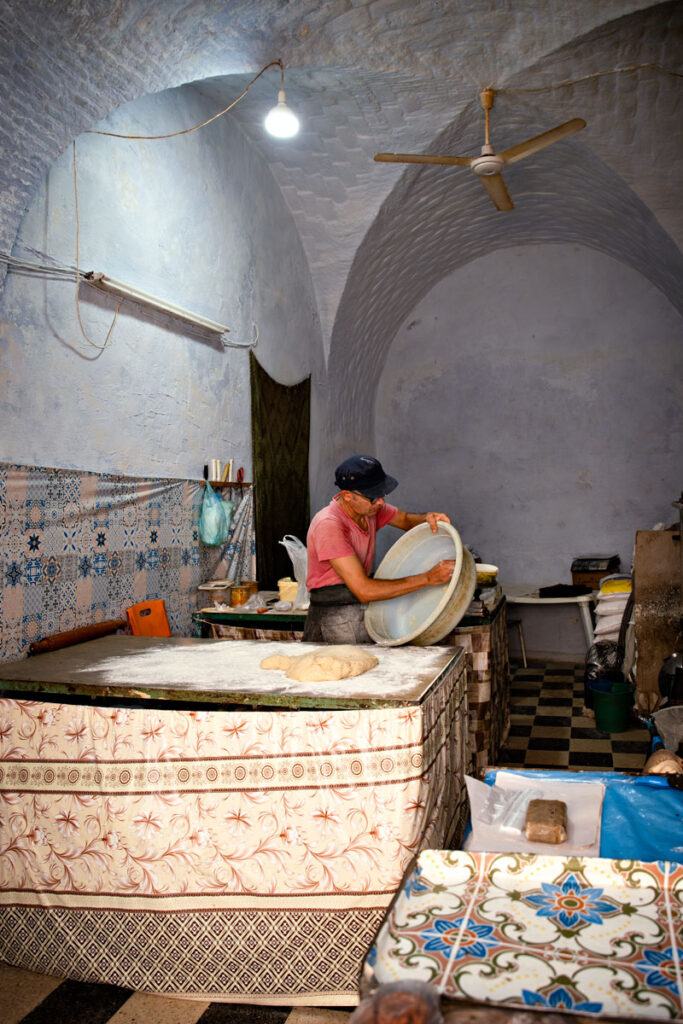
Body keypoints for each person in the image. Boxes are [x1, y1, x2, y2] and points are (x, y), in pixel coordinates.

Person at [303, 454, 455, 644]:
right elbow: (364, 590)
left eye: (382, 494)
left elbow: (406, 519)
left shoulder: (370, 509)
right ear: (347, 495)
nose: (381, 502)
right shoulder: (329, 525)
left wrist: (428, 518)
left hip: (361, 606)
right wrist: (427, 578)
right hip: (334, 615)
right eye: (373, 497)